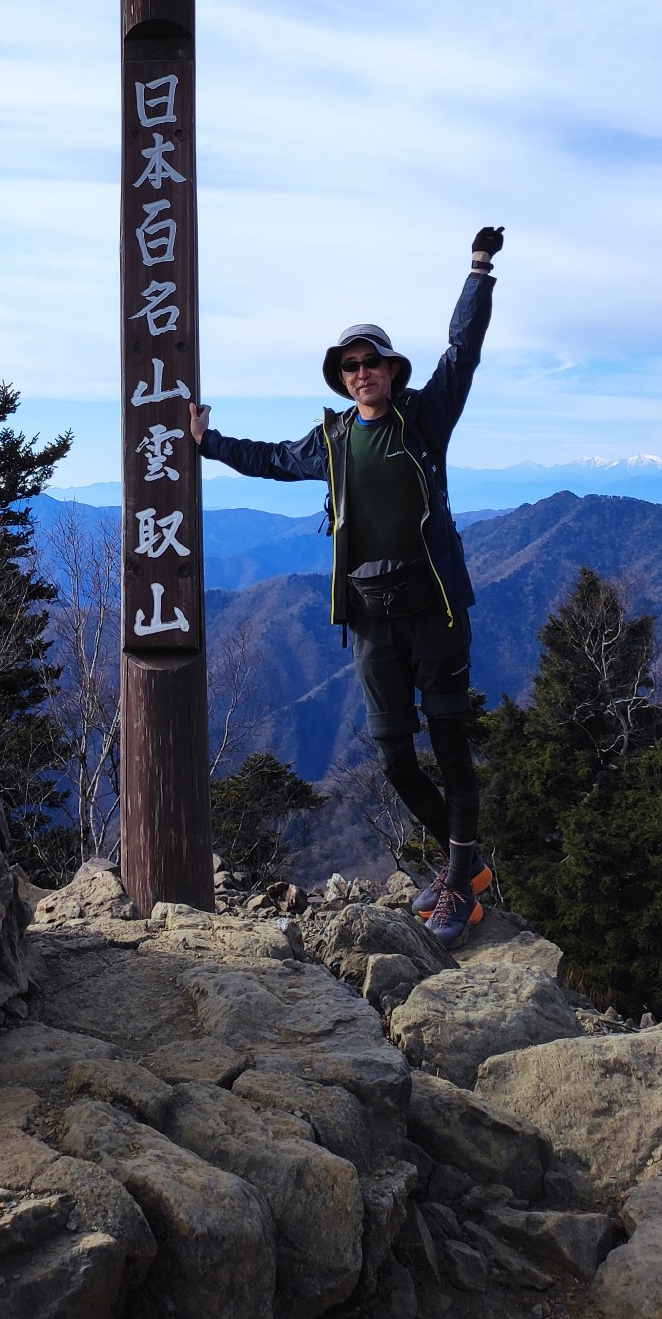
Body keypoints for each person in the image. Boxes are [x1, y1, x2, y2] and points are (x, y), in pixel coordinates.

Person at [188, 227, 504, 946]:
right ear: (342, 377)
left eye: (372, 363)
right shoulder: (332, 441)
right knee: (394, 753)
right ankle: (467, 864)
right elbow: (272, 458)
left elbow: (463, 351)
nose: (362, 373)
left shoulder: (424, 417)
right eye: (350, 366)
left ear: (392, 370)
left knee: (450, 744)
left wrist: (479, 271)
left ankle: (460, 884)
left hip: (434, 608)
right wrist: (209, 442)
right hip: (368, 618)